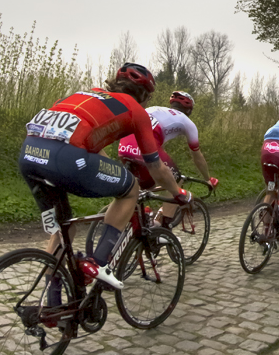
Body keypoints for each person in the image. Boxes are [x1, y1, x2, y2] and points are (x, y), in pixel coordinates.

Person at [18, 63, 192, 288]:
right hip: (66, 158)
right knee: (130, 189)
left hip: (29, 154)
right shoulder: (135, 109)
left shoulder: (87, 94)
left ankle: (52, 305)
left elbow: (85, 142)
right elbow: (156, 168)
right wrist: (177, 193)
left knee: (64, 227)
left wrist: (112, 172)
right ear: (145, 96)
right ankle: (98, 263)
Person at [117, 89, 218, 224]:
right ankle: (163, 225)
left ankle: (140, 216)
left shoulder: (156, 109)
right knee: (176, 180)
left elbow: (155, 142)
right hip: (144, 149)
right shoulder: (187, 122)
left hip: (124, 145)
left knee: (142, 184)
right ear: (189, 110)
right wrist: (207, 179)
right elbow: (197, 156)